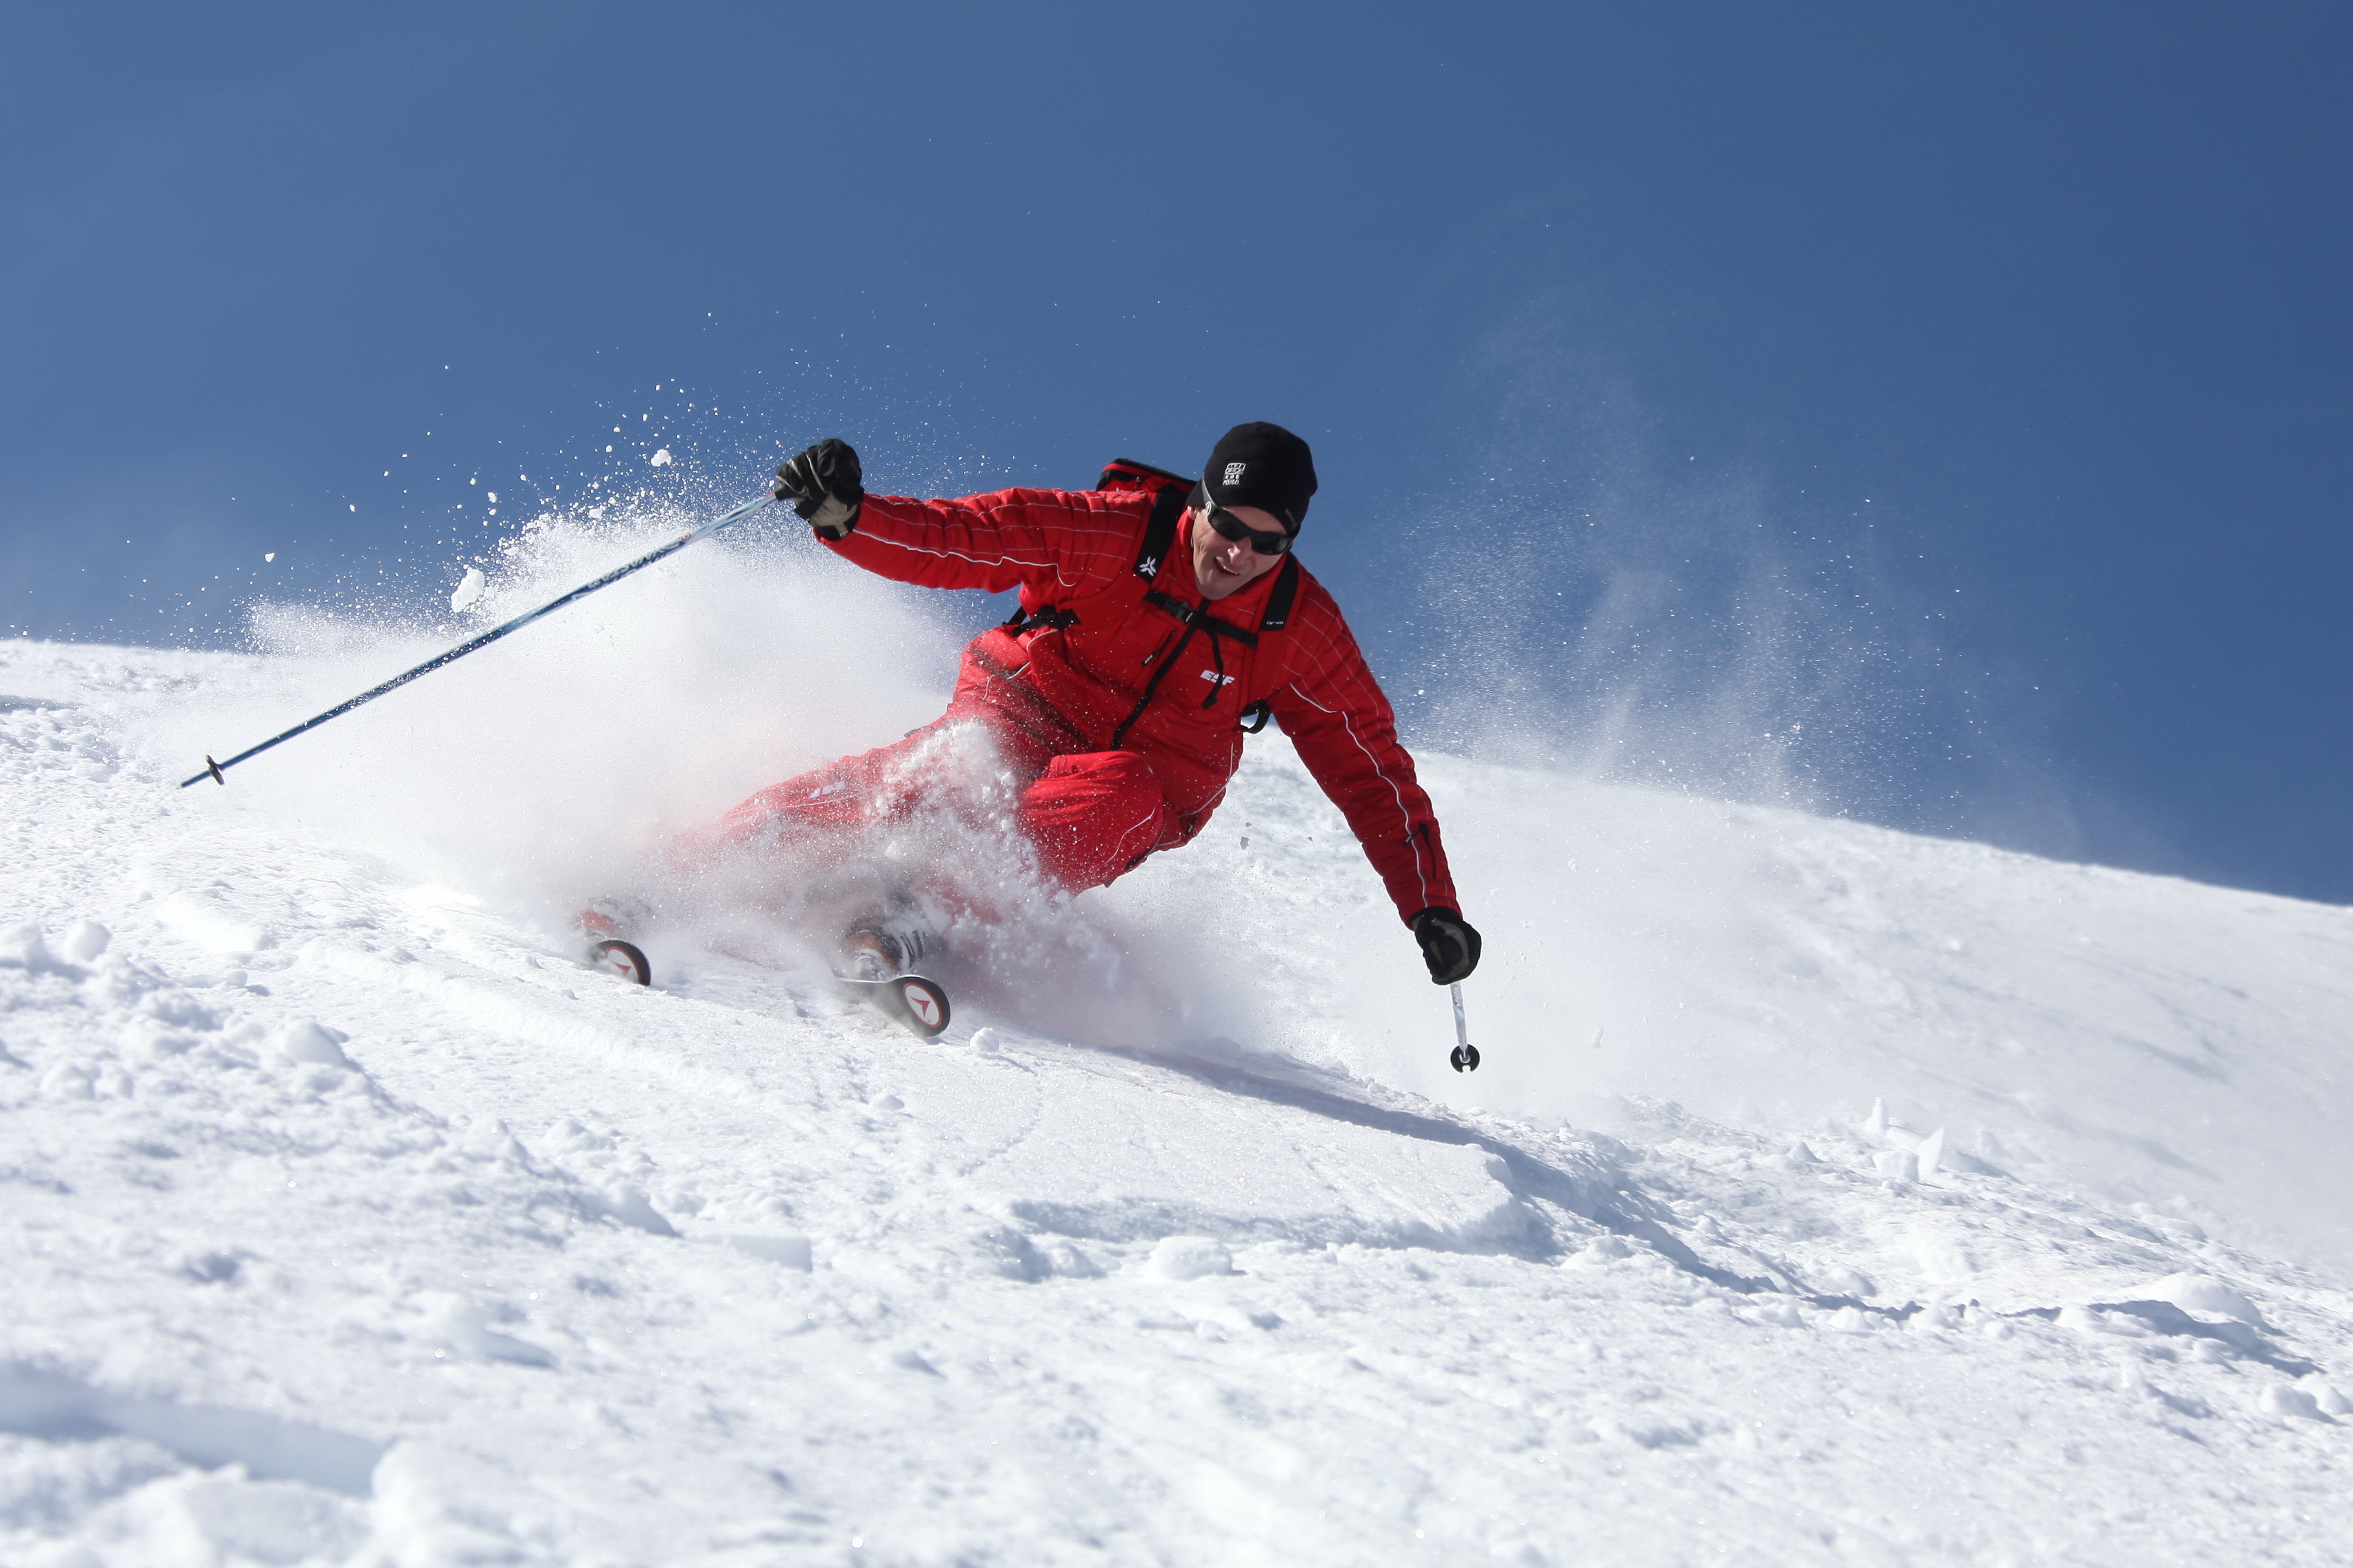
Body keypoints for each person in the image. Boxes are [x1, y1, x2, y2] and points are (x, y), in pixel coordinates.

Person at [603, 421, 1480, 989]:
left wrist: (1428, 904)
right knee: (940, 772)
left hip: (1143, 784)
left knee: (1123, 794)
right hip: (1020, 711)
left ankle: (921, 914)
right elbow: (965, 538)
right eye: (1227, 524)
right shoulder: (1116, 531)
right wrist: (849, 517)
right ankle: (682, 877)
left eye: (1268, 542)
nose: (1238, 554)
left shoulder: (1297, 626)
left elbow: (1369, 769)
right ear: (1198, 502)